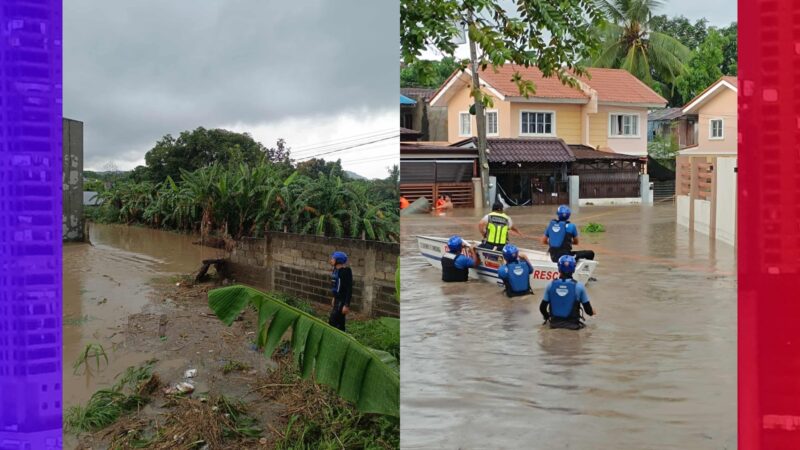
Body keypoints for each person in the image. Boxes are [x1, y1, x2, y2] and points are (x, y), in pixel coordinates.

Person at [540, 255, 595, 330]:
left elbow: (542, 308)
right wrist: (592, 312)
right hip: (573, 327)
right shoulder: (579, 286)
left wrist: (547, 317)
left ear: (559, 268)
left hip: (554, 325)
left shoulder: (550, 285)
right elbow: (588, 310)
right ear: (573, 269)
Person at [328, 251, 352, 331]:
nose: (331, 260)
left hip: (342, 301)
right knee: (340, 321)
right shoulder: (335, 270)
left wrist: (346, 305)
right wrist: (334, 297)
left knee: (332, 320)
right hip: (337, 299)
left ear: (338, 261)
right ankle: (342, 334)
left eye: (333, 259)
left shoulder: (345, 272)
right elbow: (336, 287)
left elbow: (349, 289)